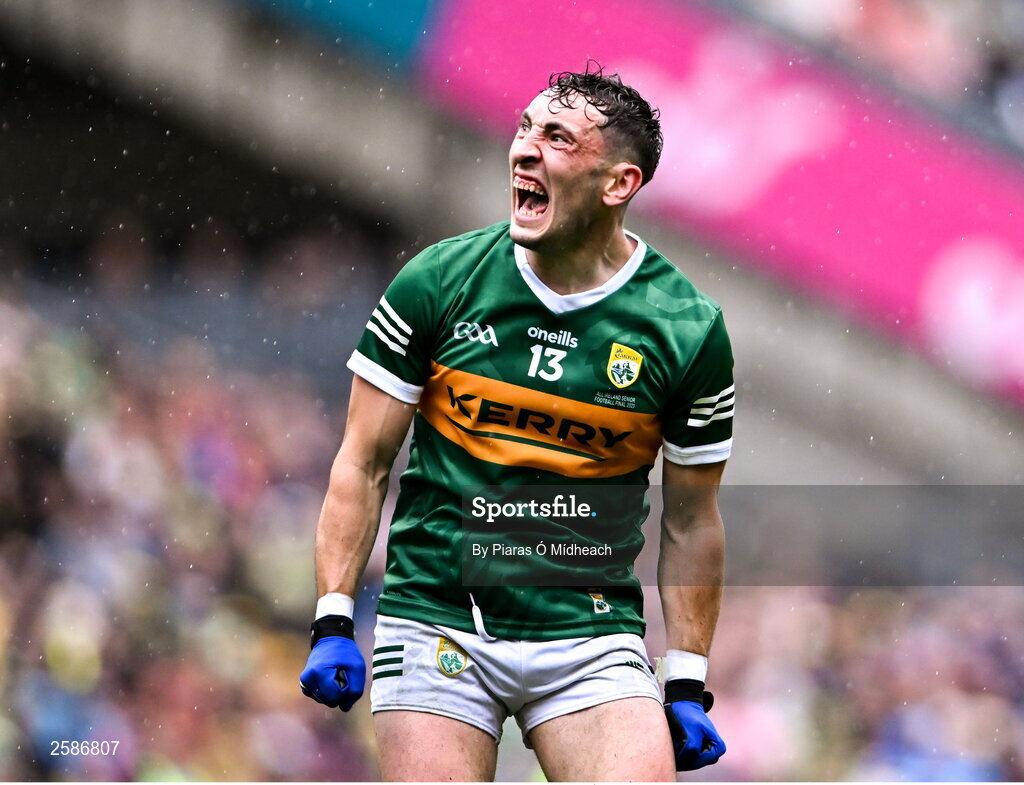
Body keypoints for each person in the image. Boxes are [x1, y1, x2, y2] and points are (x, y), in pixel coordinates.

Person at [300, 64, 734, 781]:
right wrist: (334, 615)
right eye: (524, 129)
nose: (524, 149)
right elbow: (363, 461)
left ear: (618, 184)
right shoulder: (437, 281)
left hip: (590, 633)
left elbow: (692, 520)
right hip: (436, 613)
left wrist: (685, 677)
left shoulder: (686, 329)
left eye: (557, 138)